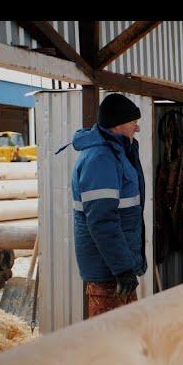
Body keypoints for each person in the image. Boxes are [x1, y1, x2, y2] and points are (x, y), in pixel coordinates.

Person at [65, 94, 146, 318]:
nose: (137, 129)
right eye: (133, 122)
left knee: (127, 337)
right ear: (118, 125)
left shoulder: (115, 154)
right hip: (108, 272)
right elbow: (102, 220)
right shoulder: (101, 159)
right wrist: (122, 269)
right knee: (108, 344)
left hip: (116, 268)